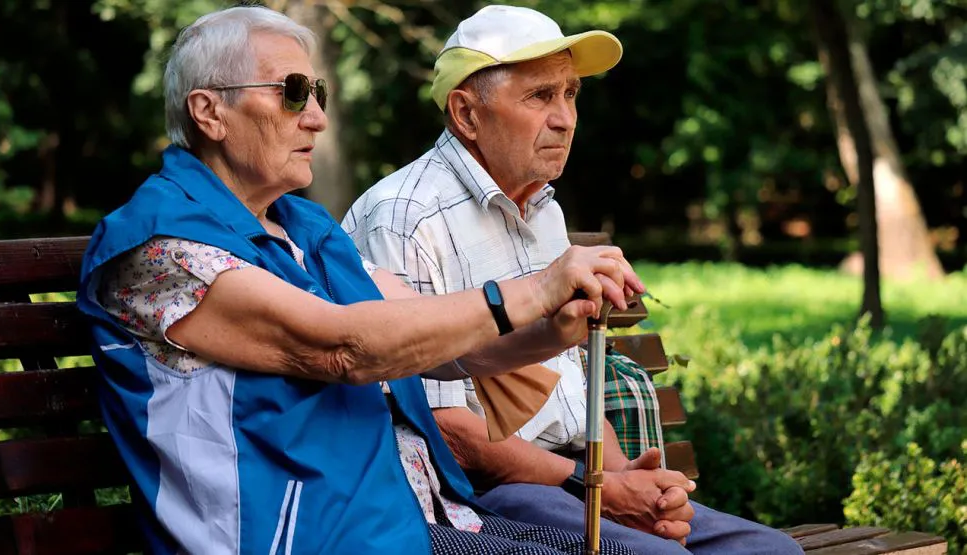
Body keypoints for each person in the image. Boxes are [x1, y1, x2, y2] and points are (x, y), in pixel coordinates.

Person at [75, 6, 651, 555]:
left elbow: (442, 346)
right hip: (293, 537)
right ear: (209, 113)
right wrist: (535, 290)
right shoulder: (160, 248)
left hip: (399, 519)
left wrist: (556, 328)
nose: (318, 117)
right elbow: (340, 347)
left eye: (317, 94)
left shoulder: (303, 229)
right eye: (293, 93)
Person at [343, 5, 805, 554]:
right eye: (540, 97)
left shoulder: (543, 209)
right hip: (488, 497)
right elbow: (447, 434)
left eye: (570, 95)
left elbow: (573, 385)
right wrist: (602, 490)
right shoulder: (405, 217)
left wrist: (632, 483)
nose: (565, 118)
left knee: (775, 551)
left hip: (578, 480)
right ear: (466, 115)